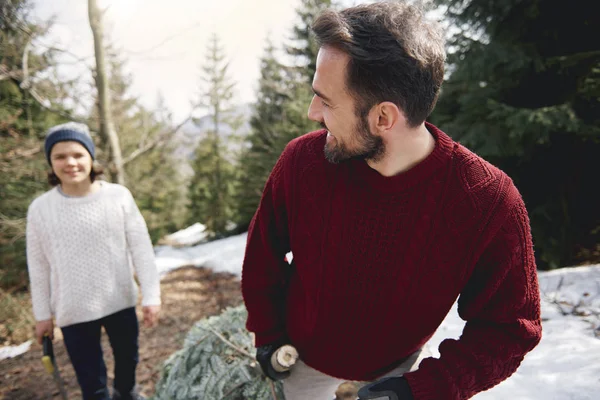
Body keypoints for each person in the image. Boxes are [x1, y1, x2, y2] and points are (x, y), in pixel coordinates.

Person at [241, 2, 542, 400]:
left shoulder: (489, 202)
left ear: (383, 118)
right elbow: (263, 255)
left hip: (399, 376)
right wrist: (268, 335)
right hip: (298, 368)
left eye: (326, 101)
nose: (312, 113)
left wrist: (421, 390)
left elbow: (509, 328)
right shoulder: (301, 162)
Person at [26, 122, 161, 400]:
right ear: (50, 163)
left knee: (127, 369)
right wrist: (42, 316)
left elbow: (141, 249)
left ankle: (128, 394)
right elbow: (38, 267)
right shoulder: (40, 209)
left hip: (119, 301)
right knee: (93, 387)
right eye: (60, 156)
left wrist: (151, 295)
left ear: (90, 157)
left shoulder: (118, 196)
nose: (70, 163)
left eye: (77, 154)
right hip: (72, 310)